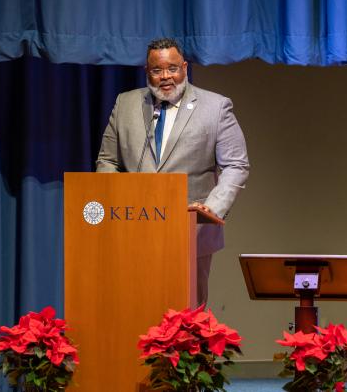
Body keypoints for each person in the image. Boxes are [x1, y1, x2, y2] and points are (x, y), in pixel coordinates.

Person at [96, 38, 249, 304]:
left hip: (191, 232)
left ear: (185, 68)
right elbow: (107, 161)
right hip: (134, 228)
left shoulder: (215, 107)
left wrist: (211, 210)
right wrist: (118, 201)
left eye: (173, 68)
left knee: (187, 320)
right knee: (134, 310)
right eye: (157, 70)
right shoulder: (125, 104)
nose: (166, 77)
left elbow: (236, 164)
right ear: (147, 72)